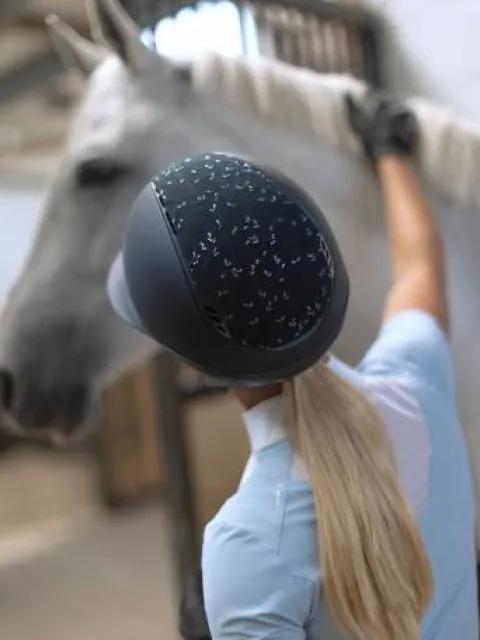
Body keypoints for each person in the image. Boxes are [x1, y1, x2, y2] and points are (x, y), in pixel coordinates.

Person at [106, 90, 478, 640]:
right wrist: (392, 152)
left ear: (193, 363)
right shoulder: (416, 382)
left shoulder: (251, 543)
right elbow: (420, 268)